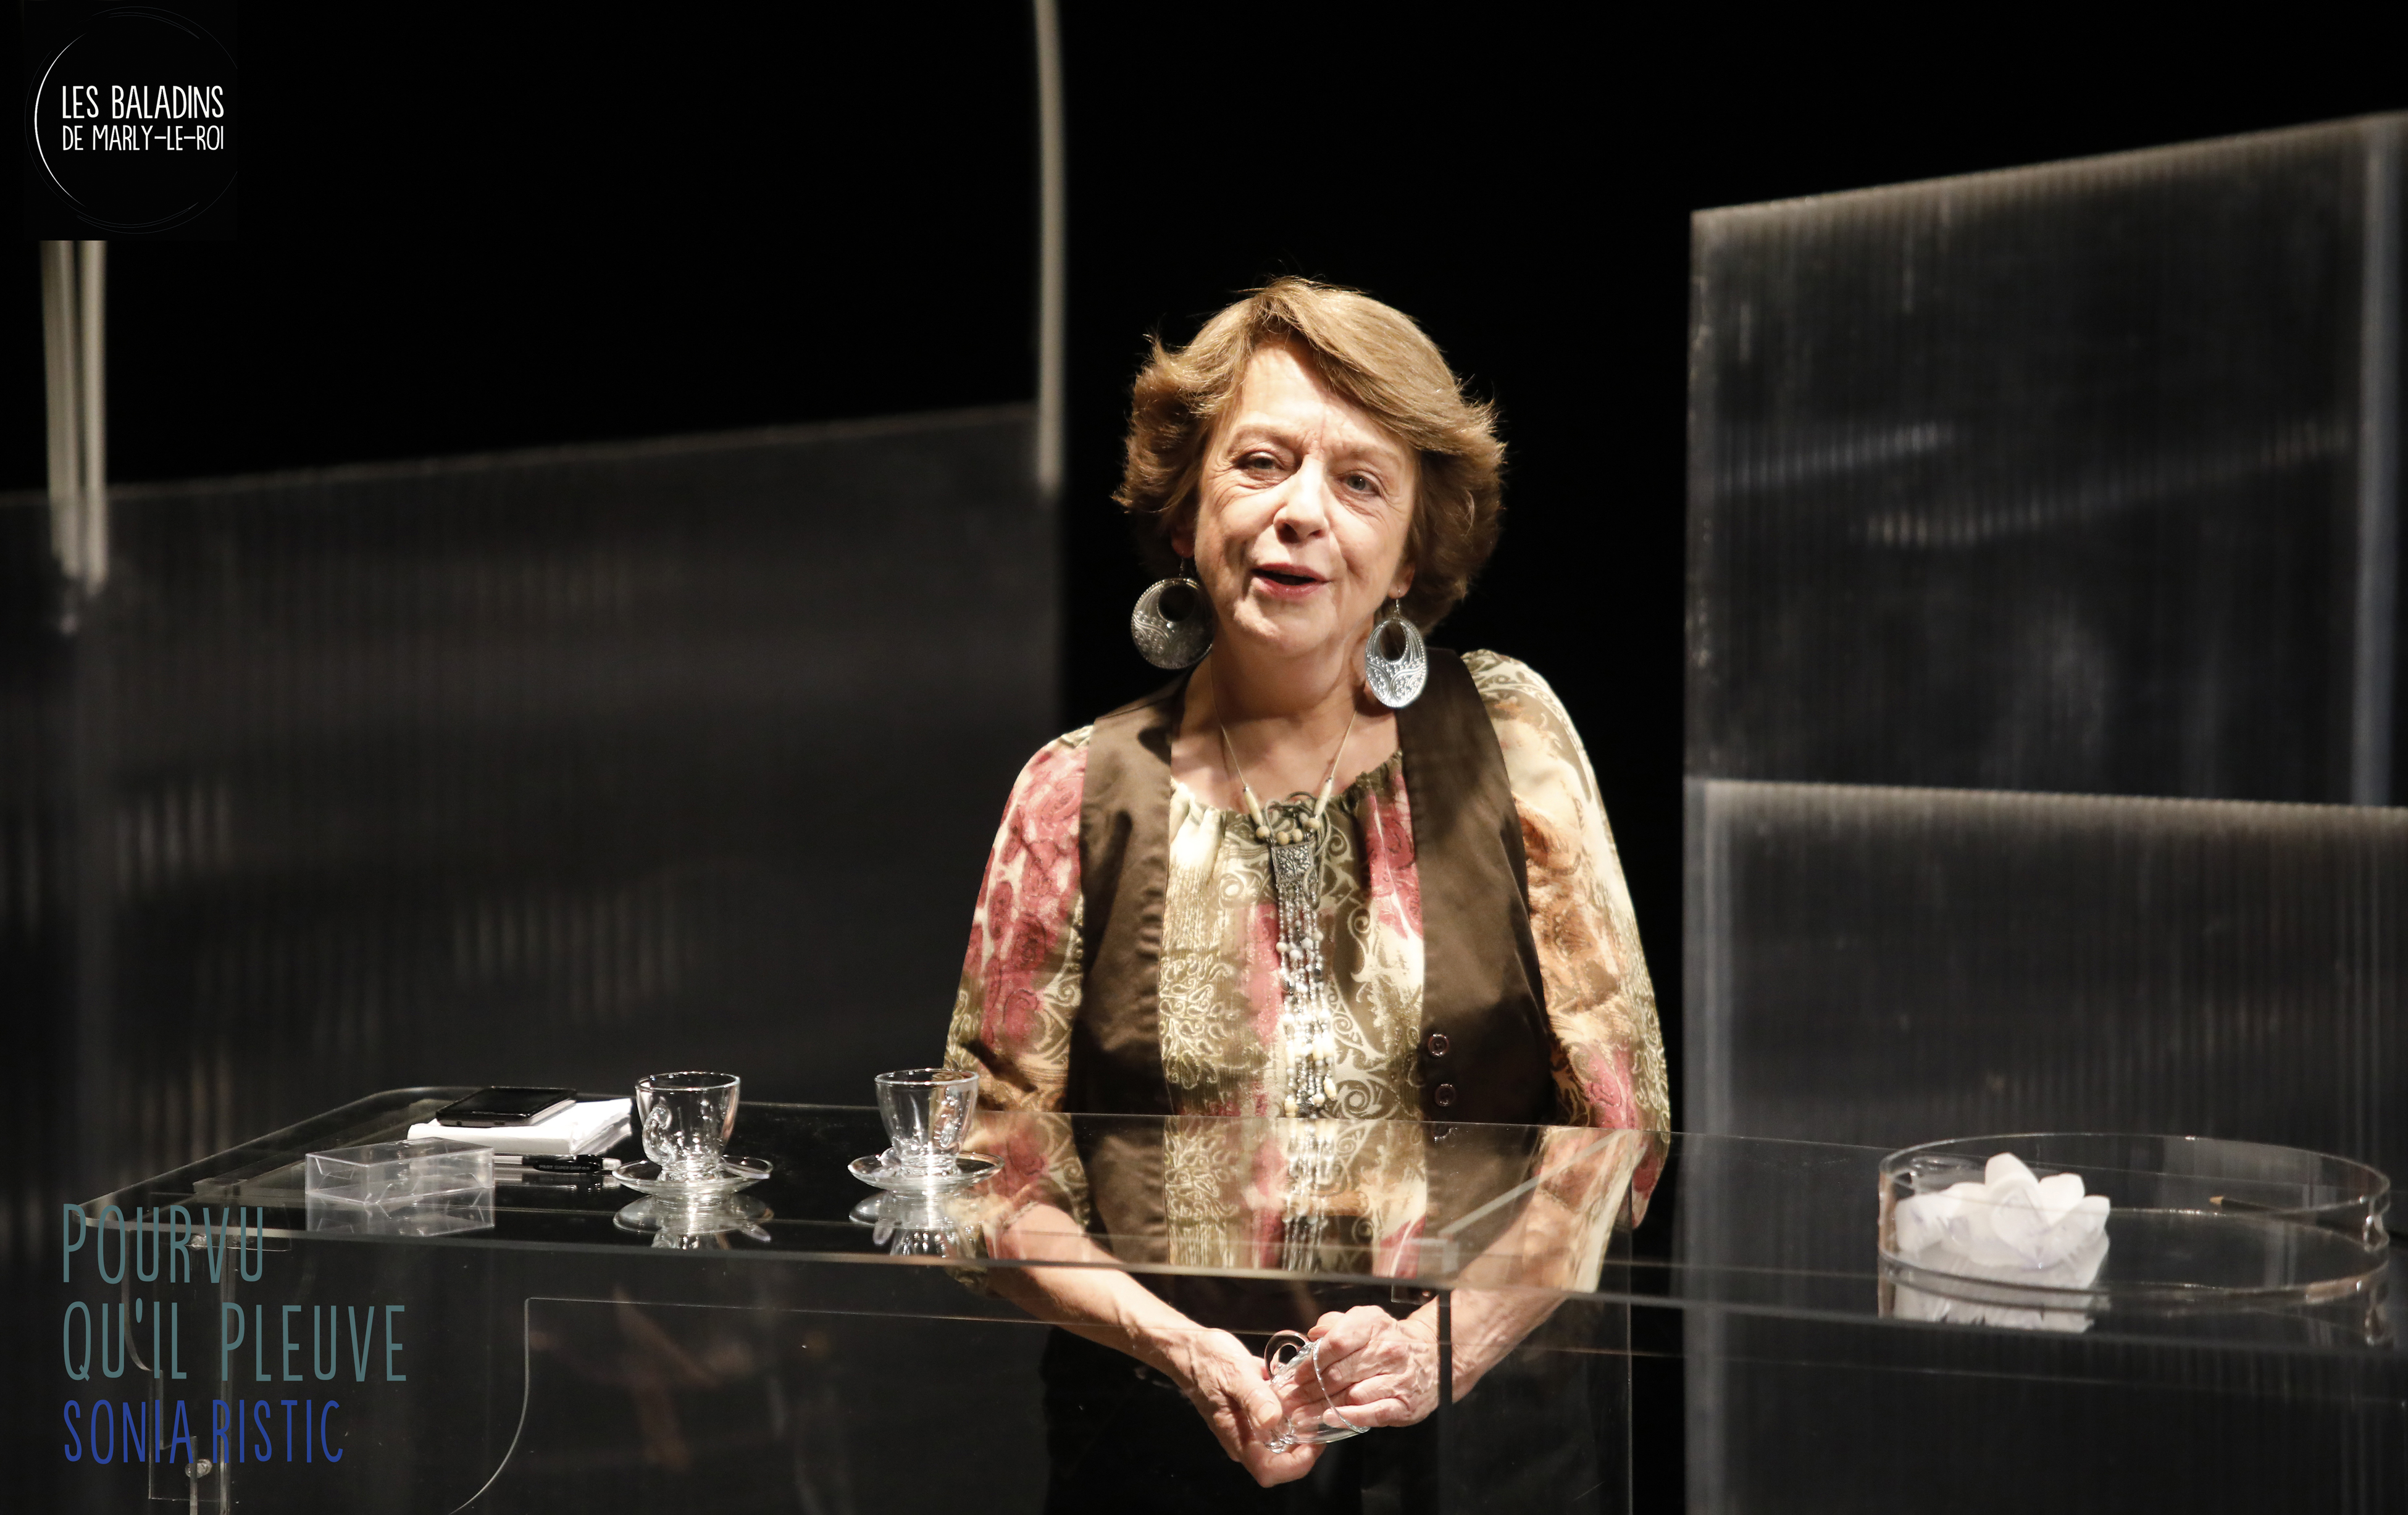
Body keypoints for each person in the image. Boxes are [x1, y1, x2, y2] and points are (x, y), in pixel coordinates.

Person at [942, 277, 1668, 1509]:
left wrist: (1443, 1350)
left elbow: (1618, 1131)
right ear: (1187, 513)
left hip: (1486, 1456)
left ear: (1411, 554)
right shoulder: (1071, 793)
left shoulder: (1513, 735)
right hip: (1170, 1450)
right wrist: (1183, 1349)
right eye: (1261, 464)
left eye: (1360, 481)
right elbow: (982, 1175)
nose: (1300, 514)